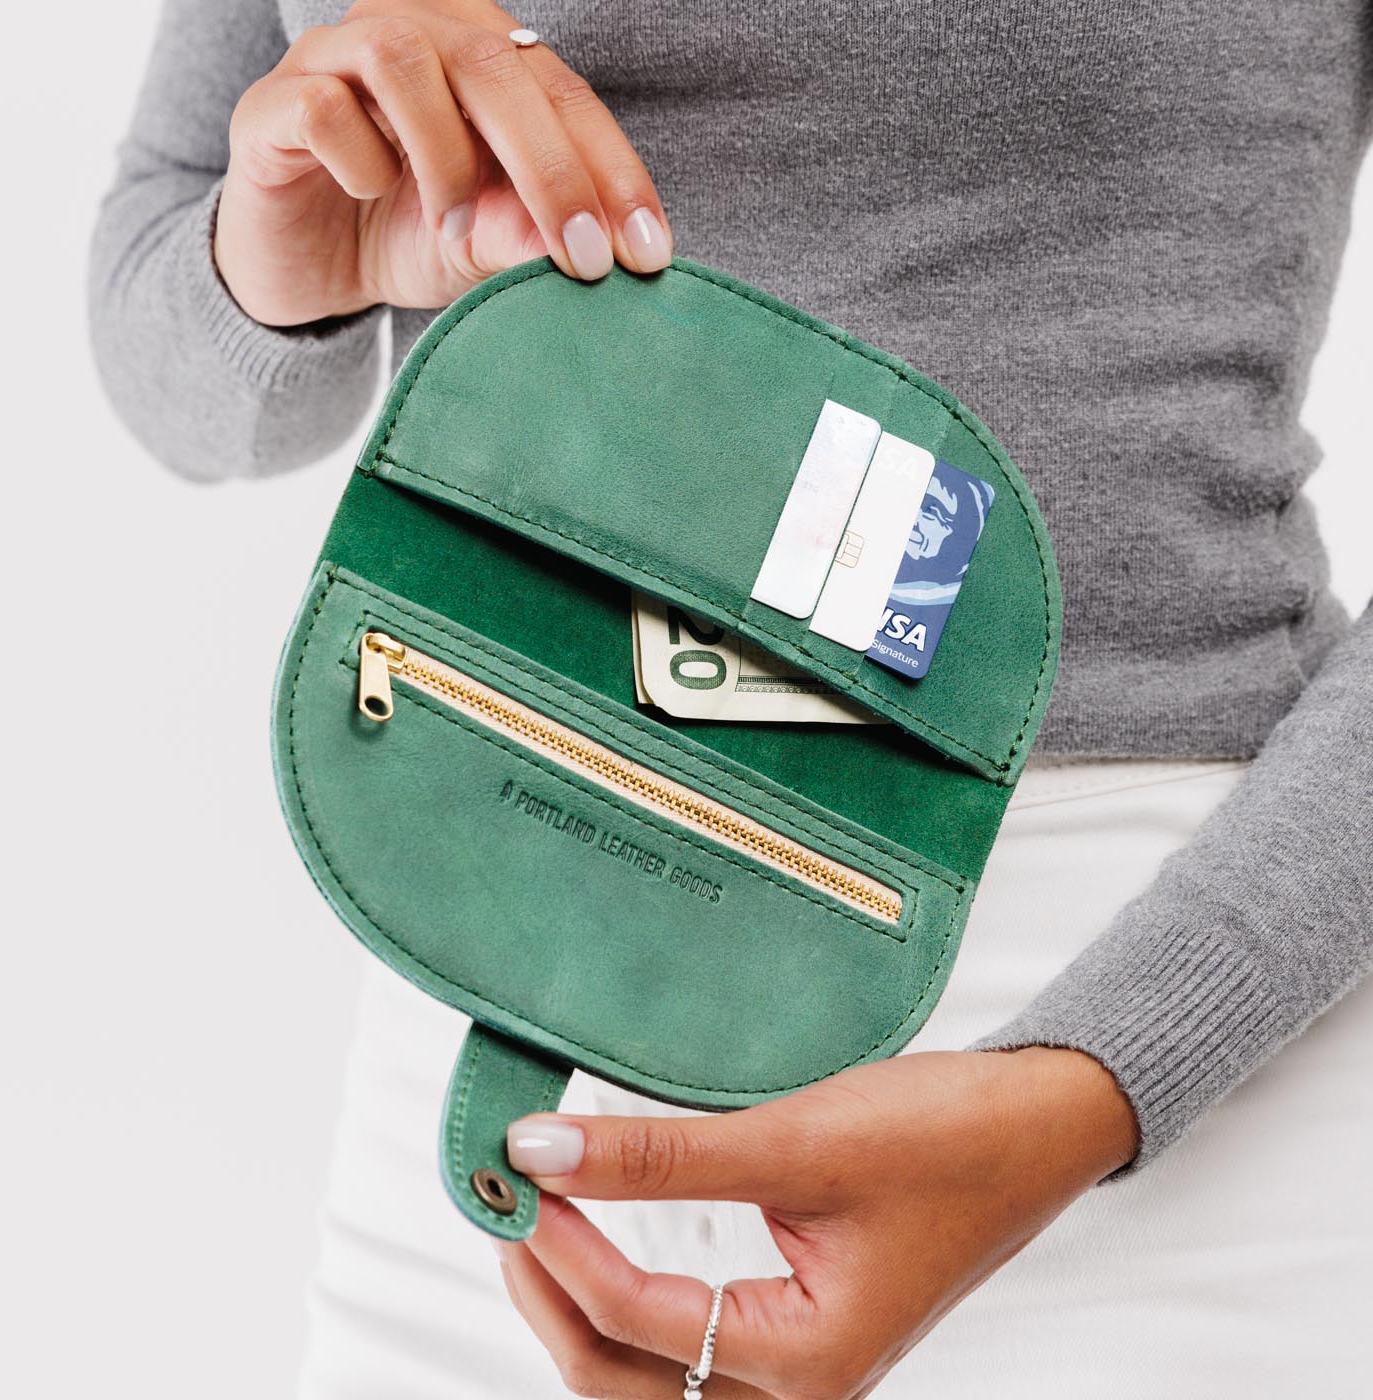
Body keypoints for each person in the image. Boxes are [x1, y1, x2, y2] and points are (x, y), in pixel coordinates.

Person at [90, 3, 1373, 1396]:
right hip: (485, 1065)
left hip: (1133, 1079)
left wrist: (1112, 1067)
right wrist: (277, 264)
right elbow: (168, 317)